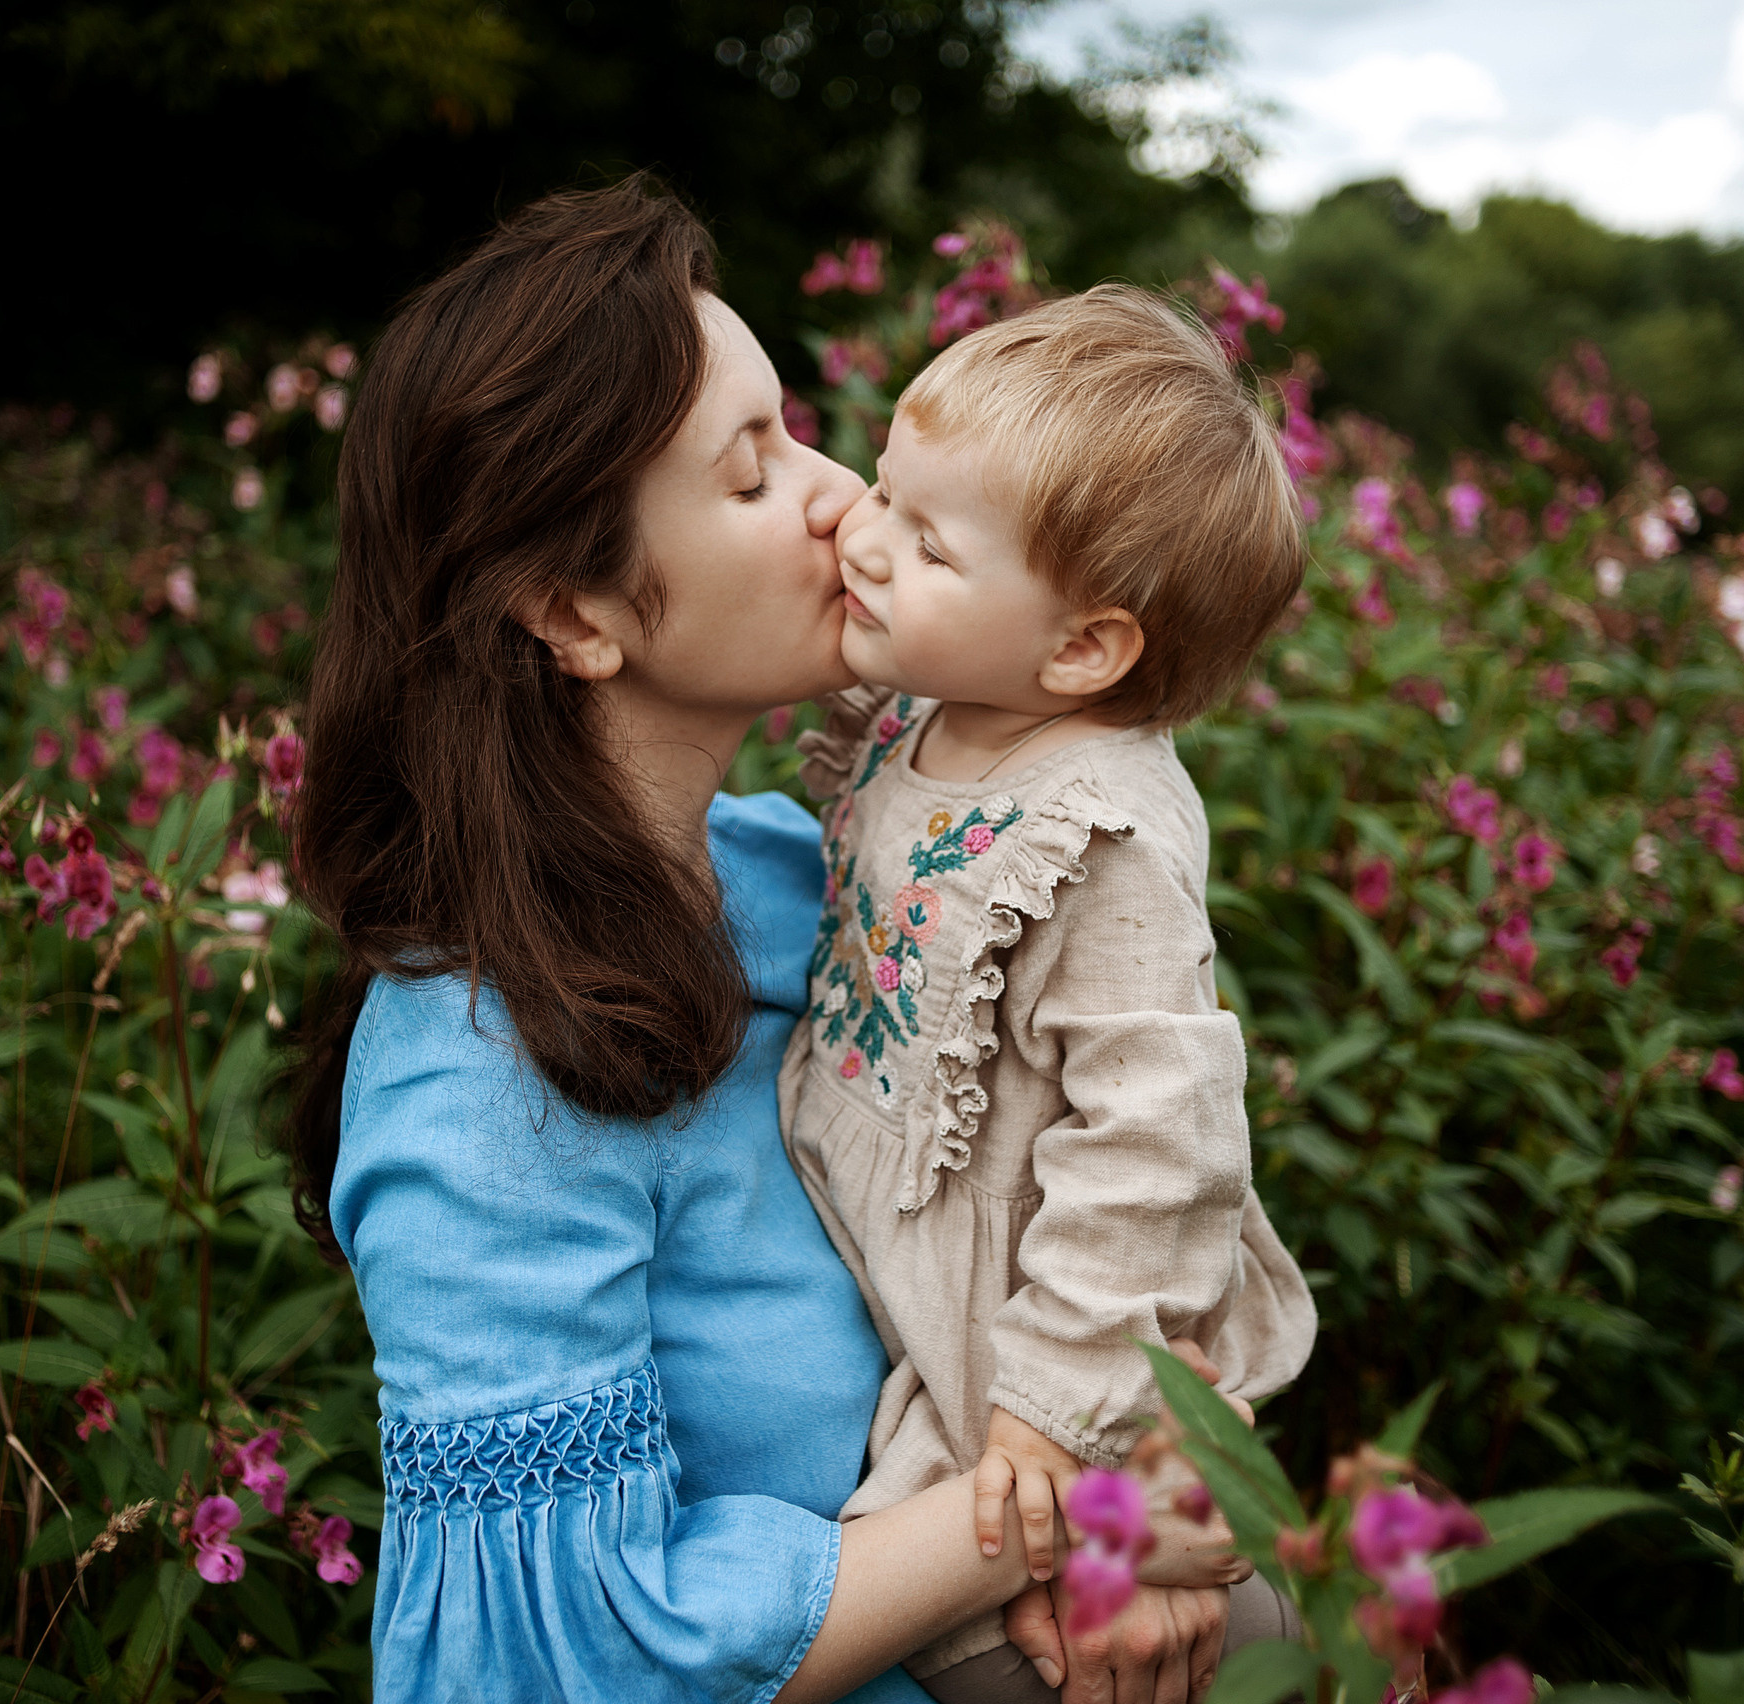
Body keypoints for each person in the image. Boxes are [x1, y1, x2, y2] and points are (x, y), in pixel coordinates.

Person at [284, 181, 1232, 1704]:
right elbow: (562, 1658)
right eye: (750, 474)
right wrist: (1065, 1518)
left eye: (797, 427)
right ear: (574, 608)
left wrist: (1178, 1497)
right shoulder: (475, 1088)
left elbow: (1107, 1164)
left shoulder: (808, 865)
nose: (841, 495)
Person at [780, 285, 1319, 1703]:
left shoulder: (1105, 828)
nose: (864, 536)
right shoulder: (924, 711)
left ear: (1082, 649)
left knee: (1029, 1653)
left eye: (927, 540)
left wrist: (1051, 1418)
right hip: (927, 1286)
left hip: (1035, 1341)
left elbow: (1159, 1144)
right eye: (883, 491)